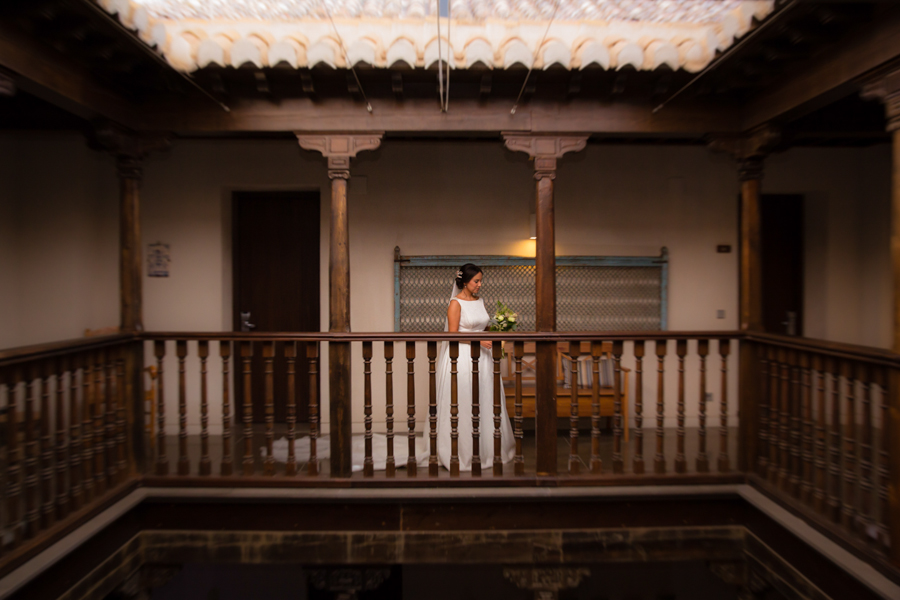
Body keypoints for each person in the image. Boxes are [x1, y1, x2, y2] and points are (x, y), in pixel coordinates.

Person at [436, 263, 515, 471]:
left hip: (485, 359)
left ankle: (489, 450)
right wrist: (478, 341)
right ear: (464, 281)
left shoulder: (480, 301)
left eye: (481, 280)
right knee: (464, 400)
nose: (480, 285)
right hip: (462, 358)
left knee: (486, 399)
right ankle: (463, 452)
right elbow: (453, 335)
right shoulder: (455, 304)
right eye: (476, 281)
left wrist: (499, 327)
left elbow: (483, 326)